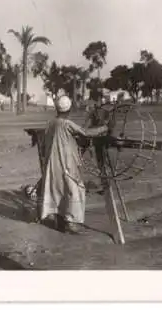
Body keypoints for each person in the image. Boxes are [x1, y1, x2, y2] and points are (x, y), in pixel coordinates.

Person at [38, 95, 111, 235]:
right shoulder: (66, 124)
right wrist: (104, 128)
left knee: (58, 190)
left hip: (53, 164)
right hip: (66, 163)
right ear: (69, 109)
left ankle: (59, 219)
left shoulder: (51, 123)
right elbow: (86, 133)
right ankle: (71, 223)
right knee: (75, 190)